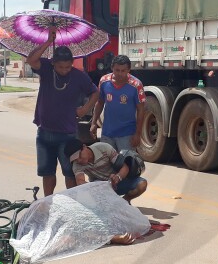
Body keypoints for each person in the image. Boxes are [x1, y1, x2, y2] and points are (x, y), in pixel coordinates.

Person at [26, 33, 99, 196]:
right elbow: (31, 60)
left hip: (67, 135)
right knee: (47, 172)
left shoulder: (79, 76)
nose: (64, 70)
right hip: (44, 132)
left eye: (67, 67)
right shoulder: (45, 68)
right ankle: (48, 201)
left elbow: (95, 92)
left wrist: (85, 109)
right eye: (60, 67)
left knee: (69, 172)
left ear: (72, 64)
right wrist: (48, 41)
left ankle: (71, 204)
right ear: (53, 63)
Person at [91, 55, 146, 151]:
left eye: (123, 70)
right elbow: (99, 103)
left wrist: (138, 134)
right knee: (107, 164)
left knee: (126, 164)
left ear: (129, 70)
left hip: (127, 134)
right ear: (112, 68)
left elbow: (141, 110)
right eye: (117, 70)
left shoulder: (136, 85)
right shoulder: (104, 81)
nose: (120, 73)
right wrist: (94, 123)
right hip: (107, 134)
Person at [65, 139, 148, 203]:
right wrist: (96, 189)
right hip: (100, 188)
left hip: (118, 183)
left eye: (79, 156)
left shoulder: (103, 148)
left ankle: (125, 201)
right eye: (75, 160)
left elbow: (125, 167)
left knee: (142, 184)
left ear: (84, 147)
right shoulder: (77, 164)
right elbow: (80, 182)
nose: (79, 160)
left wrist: (118, 177)